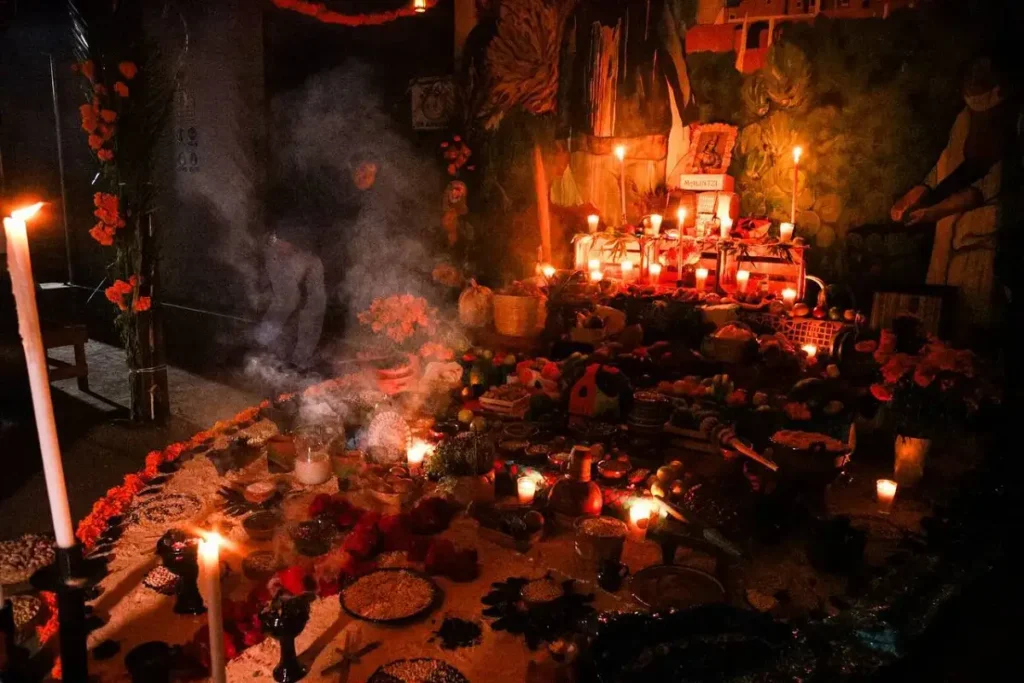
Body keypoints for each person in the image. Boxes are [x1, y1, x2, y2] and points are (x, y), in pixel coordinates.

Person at [891, 55, 1019, 335]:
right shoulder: (964, 119)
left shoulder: (1011, 124)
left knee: (970, 322)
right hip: (946, 240)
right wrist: (919, 191)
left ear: (999, 91)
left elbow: (985, 189)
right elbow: (945, 167)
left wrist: (935, 211)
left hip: (979, 244)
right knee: (935, 324)